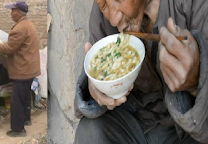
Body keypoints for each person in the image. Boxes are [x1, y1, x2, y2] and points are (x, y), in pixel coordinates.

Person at [74, 0, 208, 143]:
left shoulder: (197, 5)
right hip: (133, 122)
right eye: (103, 5)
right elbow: (90, 90)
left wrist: (194, 83)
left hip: (186, 128)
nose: (113, 19)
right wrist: (95, 87)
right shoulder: (102, 15)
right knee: (90, 131)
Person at [0, 0, 41, 137]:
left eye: (12, 11)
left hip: (23, 70)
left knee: (16, 101)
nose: (11, 13)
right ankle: (26, 119)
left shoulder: (19, 28)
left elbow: (8, 49)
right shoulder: (28, 24)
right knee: (25, 96)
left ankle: (18, 129)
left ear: (18, 12)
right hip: (30, 68)